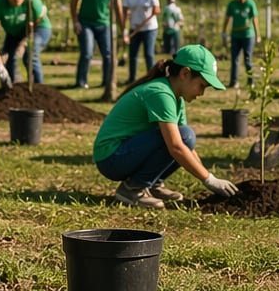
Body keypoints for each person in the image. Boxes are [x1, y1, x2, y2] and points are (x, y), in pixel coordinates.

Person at [92, 45, 240, 209]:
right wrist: (208, 179)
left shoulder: (177, 98)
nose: (202, 93)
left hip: (124, 153)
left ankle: (153, 184)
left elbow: (186, 147)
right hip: (112, 158)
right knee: (184, 137)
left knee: (186, 138)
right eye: (202, 86)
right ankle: (132, 189)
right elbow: (176, 146)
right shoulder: (160, 93)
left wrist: (206, 175)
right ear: (185, 73)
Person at [69, 0, 123, 91]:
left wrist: (123, 27)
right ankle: (81, 82)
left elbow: (118, 4)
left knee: (108, 54)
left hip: (105, 23)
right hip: (85, 23)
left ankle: (107, 82)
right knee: (87, 52)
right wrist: (75, 21)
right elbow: (74, 1)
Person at [121, 0, 161, 82]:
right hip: (134, 29)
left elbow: (157, 10)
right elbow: (124, 13)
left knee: (148, 54)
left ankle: (151, 77)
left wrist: (147, 19)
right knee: (133, 55)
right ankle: (131, 78)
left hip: (150, 29)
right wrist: (124, 31)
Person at [221, 0, 258, 89]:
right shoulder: (232, 4)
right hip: (235, 35)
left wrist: (257, 34)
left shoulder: (250, 4)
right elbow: (227, 19)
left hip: (248, 36)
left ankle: (251, 81)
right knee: (235, 59)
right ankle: (234, 82)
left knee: (247, 59)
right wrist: (224, 31)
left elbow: (255, 19)